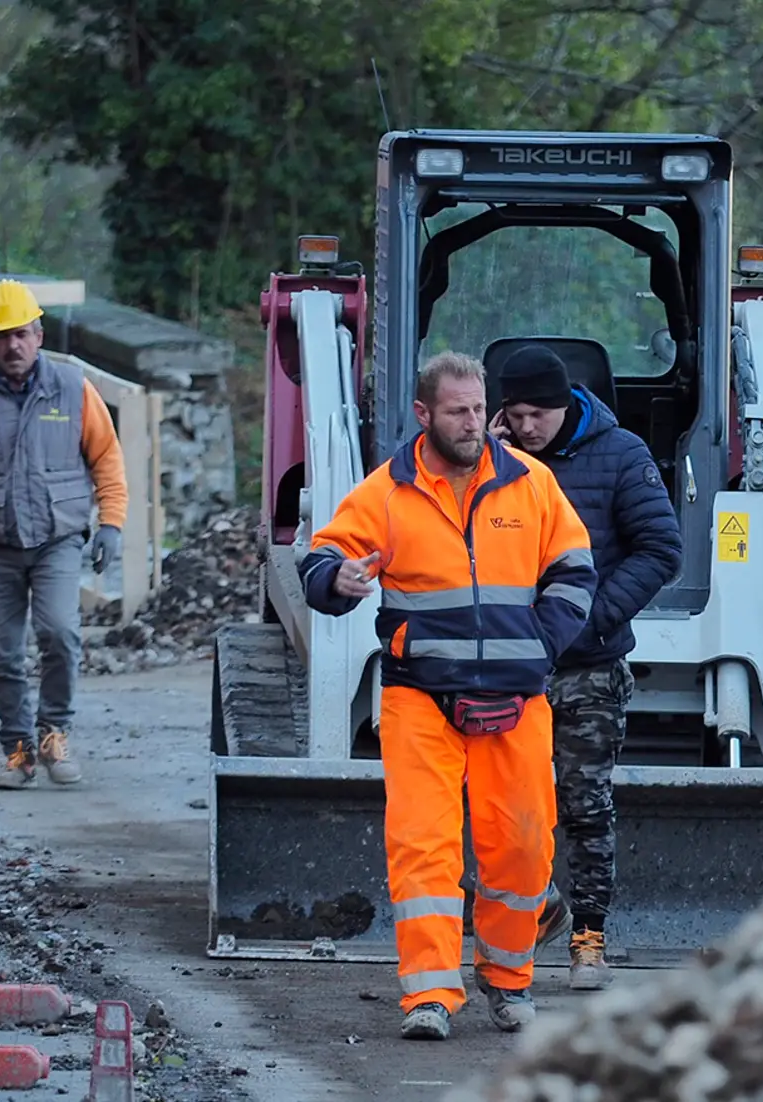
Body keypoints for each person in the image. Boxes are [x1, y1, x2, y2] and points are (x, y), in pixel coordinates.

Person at [298, 350, 597, 1042]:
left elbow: (575, 572)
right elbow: (322, 556)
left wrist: (537, 647)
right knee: (423, 849)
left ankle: (508, 981)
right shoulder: (388, 492)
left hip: (518, 703)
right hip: (420, 701)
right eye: (458, 411)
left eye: (477, 408)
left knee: (522, 851)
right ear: (424, 414)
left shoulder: (533, 484)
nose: (474, 423)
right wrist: (335, 581)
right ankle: (430, 994)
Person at [487, 344, 682, 991]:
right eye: (514, 415)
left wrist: (593, 615)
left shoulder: (620, 455)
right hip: (509, 663)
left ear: (566, 405)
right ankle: (540, 907)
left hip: (590, 666)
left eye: (537, 415)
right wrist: (489, 462)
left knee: (586, 805)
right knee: (503, 806)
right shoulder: (494, 457)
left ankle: (588, 939)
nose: (527, 428)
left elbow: (660, 549)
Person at [0, 279, 128, 791]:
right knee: (2, 654)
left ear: (39, 334)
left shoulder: (72, 387)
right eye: (0, 336)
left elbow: (106, 457)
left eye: (20, 333)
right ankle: (17, 750)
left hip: (57, 540)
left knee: (60, 634)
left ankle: (54, 733)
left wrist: (111, 524)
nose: (11, 346)